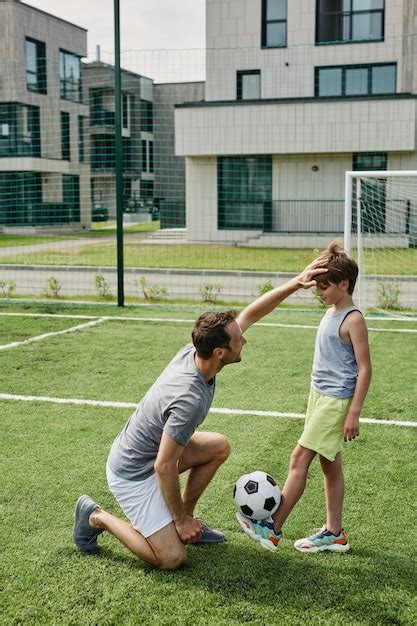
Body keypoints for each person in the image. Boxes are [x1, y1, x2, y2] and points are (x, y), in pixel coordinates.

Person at [73, 259, 327, 570]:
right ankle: (96, 516)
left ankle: (187, 521)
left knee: (218, 445)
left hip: (151, 456)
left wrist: (295, 283)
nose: (243, 340)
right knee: (171, 558)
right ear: (221, 352)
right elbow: (164, 465)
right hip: (133, 473)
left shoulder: (199, 350)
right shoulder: (188, 397)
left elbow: (250, 314)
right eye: (238, 341)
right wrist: (176, 520)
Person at [237, 241, 372, 553]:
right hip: (319, 396)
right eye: (317, 288)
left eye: (324, 287)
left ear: (344, 284)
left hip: (335, 401)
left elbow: (365, 368)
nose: (319, 293)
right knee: (330, 464)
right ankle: (335, 534)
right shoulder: (332, 311)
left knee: (299, 458)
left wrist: (354, 412)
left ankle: (272, 529)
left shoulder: (353, 319)